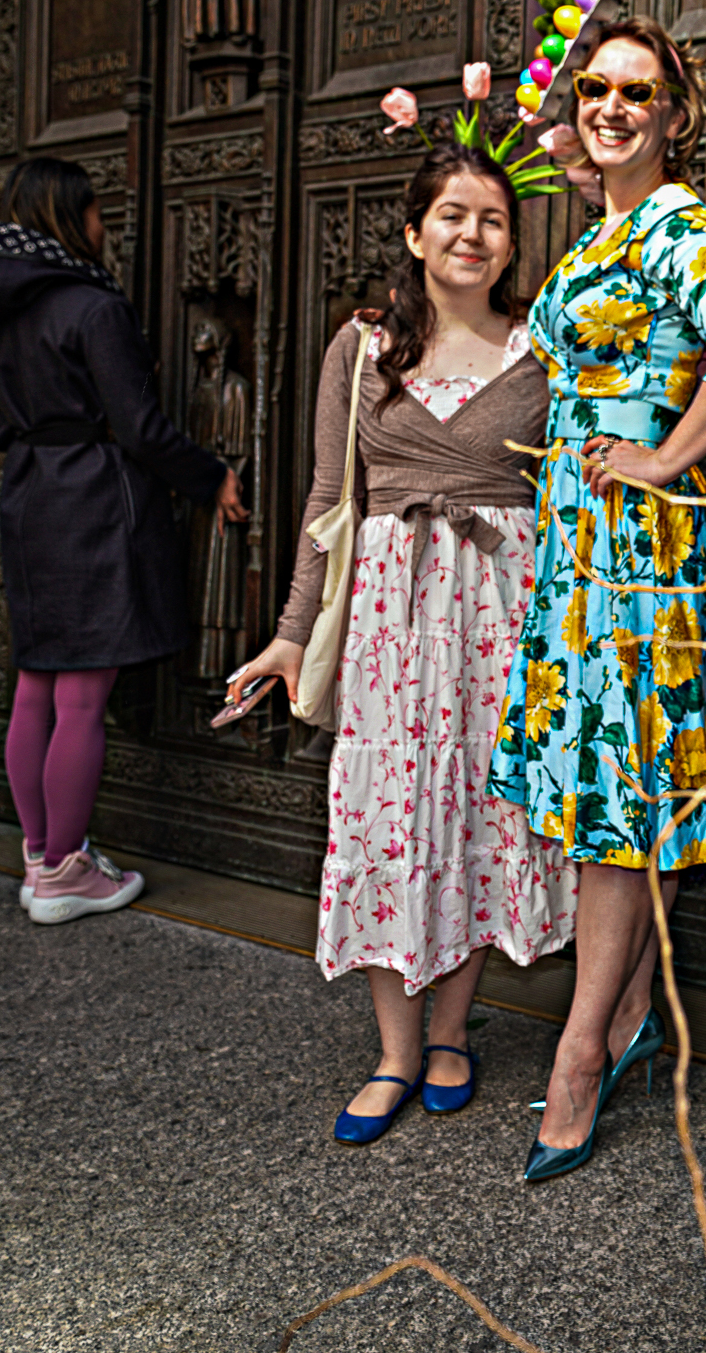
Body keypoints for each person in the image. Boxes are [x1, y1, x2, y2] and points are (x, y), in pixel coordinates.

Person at [229, 137, 578, 1146]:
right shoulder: (364, 345)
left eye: (494, 219)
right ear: (417, 231)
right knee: (386, 817)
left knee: (472, 815)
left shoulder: (543, 346)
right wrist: (295, 636)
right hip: (387, 613)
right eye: (455, 215)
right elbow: (329, 499)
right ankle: (392, 1052)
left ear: (512, 243)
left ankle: (454, 1032)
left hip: (497, 613)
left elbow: (565, 497)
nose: (473, 234)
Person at [491, 16, 706, 1180]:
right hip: (586, 531)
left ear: (676, 113)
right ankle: (628, 1019)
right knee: (629, 785)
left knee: (615, 807)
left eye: (639, 93)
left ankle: (575, 1060)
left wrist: (665, 459)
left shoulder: (672, 226)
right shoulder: (619, 220)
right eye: (598, 88)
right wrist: (556, 139)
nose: (613, 106)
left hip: (637, 537)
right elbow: (587, 182)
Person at [0, 158, 247, 924]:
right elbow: (141, 427)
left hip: (31, 492)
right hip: (95, 500)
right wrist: (212, 476)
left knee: (35, 684)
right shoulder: (90, 304)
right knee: (82, 694)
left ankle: (42, 857)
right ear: (69, 216)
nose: (106, 226)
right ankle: (68, 871)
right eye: (99, 211)